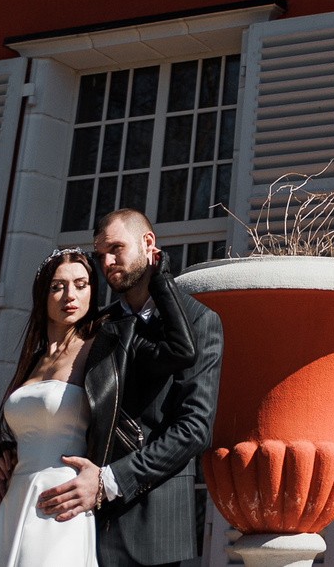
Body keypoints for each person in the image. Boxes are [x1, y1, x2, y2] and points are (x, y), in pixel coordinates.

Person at [33, 209, 224, 567]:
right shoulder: (98, 326)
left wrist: (108, 480)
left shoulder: (200, 321)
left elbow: (194, 430)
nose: (106, 262)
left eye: (116, 248)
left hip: (152, 528)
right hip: (77, 522)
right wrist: (11, 450)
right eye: (100, 253)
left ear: (148, 244)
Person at [0, 249, 109, 567]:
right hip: (16, 494)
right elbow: (34, 425)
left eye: (81, 284)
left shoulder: (100, 347)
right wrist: (5, 456)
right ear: (42, 294)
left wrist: (104, 479)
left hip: (64, 495)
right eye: (57, 286)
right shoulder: (33, 359)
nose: (69, 295)